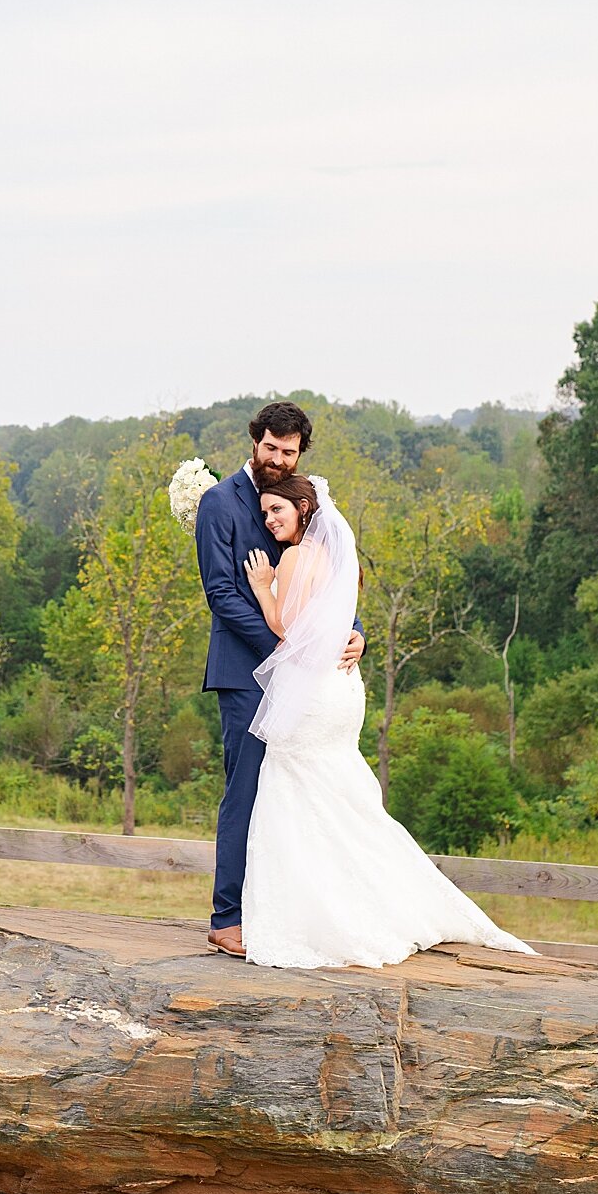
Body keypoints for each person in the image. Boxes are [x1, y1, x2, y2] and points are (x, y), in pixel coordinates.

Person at [240, 470, 532, 969]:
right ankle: (379, 900)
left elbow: (287, 628)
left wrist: (264, 587)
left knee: (295, 791)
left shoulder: (293, 558)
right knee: (341, 796)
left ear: (304, 510)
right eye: (265, 512)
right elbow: (336, 623)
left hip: (313, 692)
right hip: (343, 690)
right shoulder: (340, 560)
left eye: (276, 511)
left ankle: (320, 916)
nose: (268, 521)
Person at [193, 400, 363, 957]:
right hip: (246, 672)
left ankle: (286, 912)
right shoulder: (219, 504)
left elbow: (328, 572)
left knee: (295, 792)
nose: (278, 460)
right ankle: (228, 917)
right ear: (255, 442)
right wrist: (289, 651)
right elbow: (221, 594)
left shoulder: (303, 499)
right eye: (271, 449)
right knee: (245, 789)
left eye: (288, 453)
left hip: (303, 679)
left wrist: (353, 630)